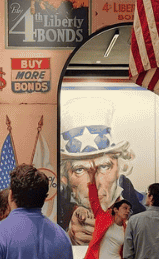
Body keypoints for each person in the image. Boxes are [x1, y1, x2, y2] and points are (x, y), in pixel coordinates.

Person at [59, 96, 146, 245]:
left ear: (120, 167)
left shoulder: (141, 208)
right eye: (80, 169)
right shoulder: (56, 210)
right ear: (64, 177)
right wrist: (68, 238)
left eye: (104, 166)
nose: (94, 183)